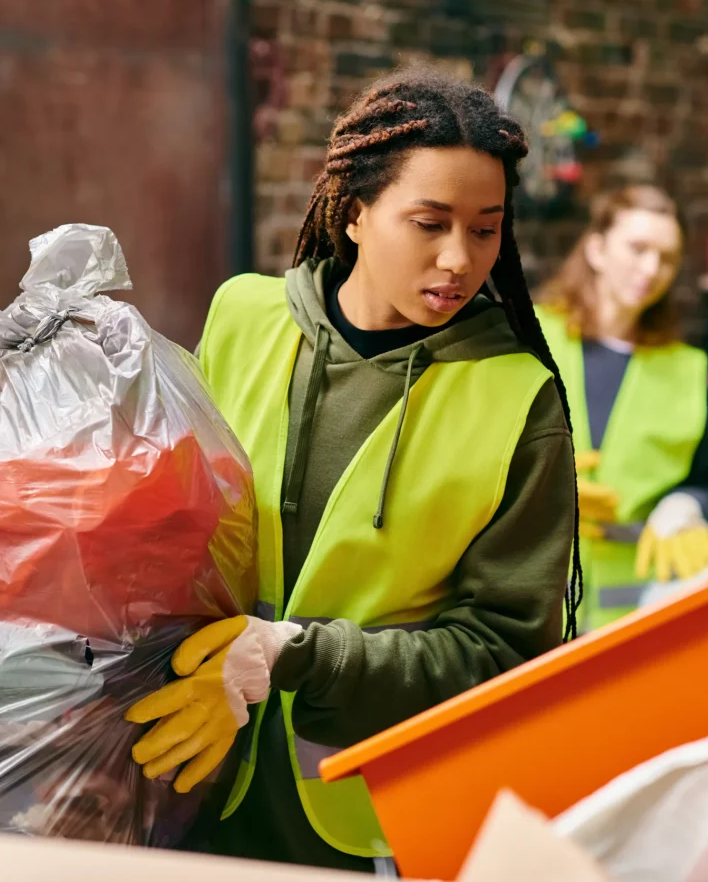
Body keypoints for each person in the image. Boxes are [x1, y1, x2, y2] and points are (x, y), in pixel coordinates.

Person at [124, 69, 583, 872]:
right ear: (357, 211)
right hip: (186, 779)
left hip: (366, 820)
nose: (459, 258)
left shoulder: (519, 400)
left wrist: (294, 652)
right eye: (430, 222)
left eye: (486, 230)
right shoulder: (243, 318)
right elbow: (176, 515)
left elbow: (504, 656)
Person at [534, 185, 708, 632]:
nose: (651, 268)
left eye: (667, 257)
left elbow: (706, 482)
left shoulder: (684, 368)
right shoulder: (530, 338)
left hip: (634, 611)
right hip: (533, 605)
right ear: (596, 249)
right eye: (638, 249)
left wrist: (684, 507)